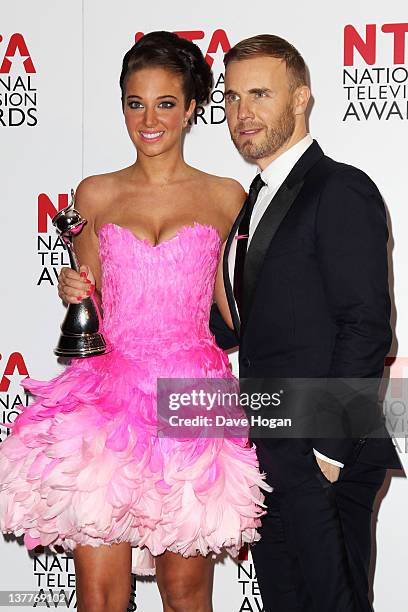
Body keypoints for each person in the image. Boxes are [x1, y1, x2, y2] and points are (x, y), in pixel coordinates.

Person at [0, 31, 268, 612]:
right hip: (108, 391)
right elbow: (89, 300)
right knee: (97, 595)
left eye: (166, 103)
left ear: (192, 106)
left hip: (193, 394)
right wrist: (77, 289)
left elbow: (238, 308)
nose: (149, 119)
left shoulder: (226, 196)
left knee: (185, 591)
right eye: (135, 103)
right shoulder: (95, 194)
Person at [210, 34, 402, 612]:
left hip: (323, 451)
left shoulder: (339, 188)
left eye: (260, 94)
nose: (243, 113)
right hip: (269, 446)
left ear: (301, 99)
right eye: (233, 97)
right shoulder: (255, 199)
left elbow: (366, 325)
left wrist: (328, 451)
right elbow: (237, 326)